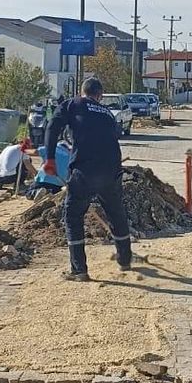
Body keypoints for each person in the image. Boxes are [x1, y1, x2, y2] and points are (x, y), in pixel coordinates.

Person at [43, 77, 131, 282]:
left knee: (73, 215)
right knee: (116, 213)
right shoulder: (107, 113)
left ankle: (79, 270)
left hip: (85, 170)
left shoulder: (73, 104)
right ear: (100, 95)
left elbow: (52, 127)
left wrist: (49, 159)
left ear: (82, 92)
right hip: (112, 169)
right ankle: (125, 259)